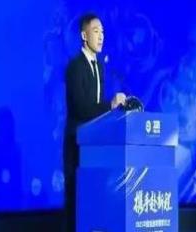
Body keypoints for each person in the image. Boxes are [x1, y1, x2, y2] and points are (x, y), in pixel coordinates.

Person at [63, 13, 126, 232]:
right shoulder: (74, 67)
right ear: (84, 35)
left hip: (94, 147)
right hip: (76, 147)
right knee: (76, 208)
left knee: (94, 205)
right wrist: (110, 105)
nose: (101, 37)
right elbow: (82, 108)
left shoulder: (99, 66)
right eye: (96, 31)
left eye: (103, 32)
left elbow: (97, 110)